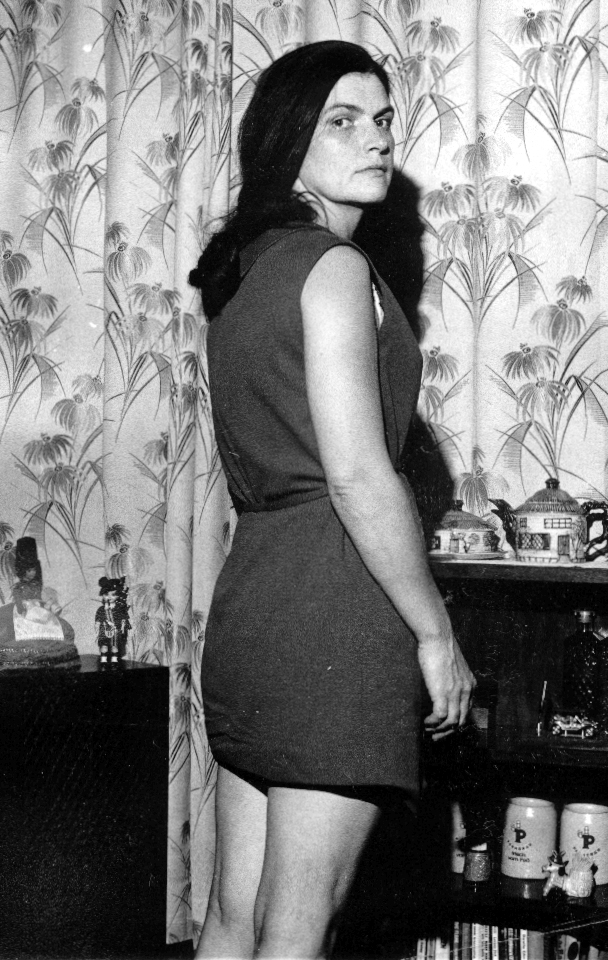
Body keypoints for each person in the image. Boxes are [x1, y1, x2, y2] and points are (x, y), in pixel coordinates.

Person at [189, 40, 476, 960]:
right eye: (343, 122)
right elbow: (357, 474)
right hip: (337, 613)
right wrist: (435, 634)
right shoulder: (336, 267)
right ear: (288, 144)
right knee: (300, 929)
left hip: (253, 606)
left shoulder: (245, 273)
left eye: (383, 119)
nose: (377, 139)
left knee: (233, 920)